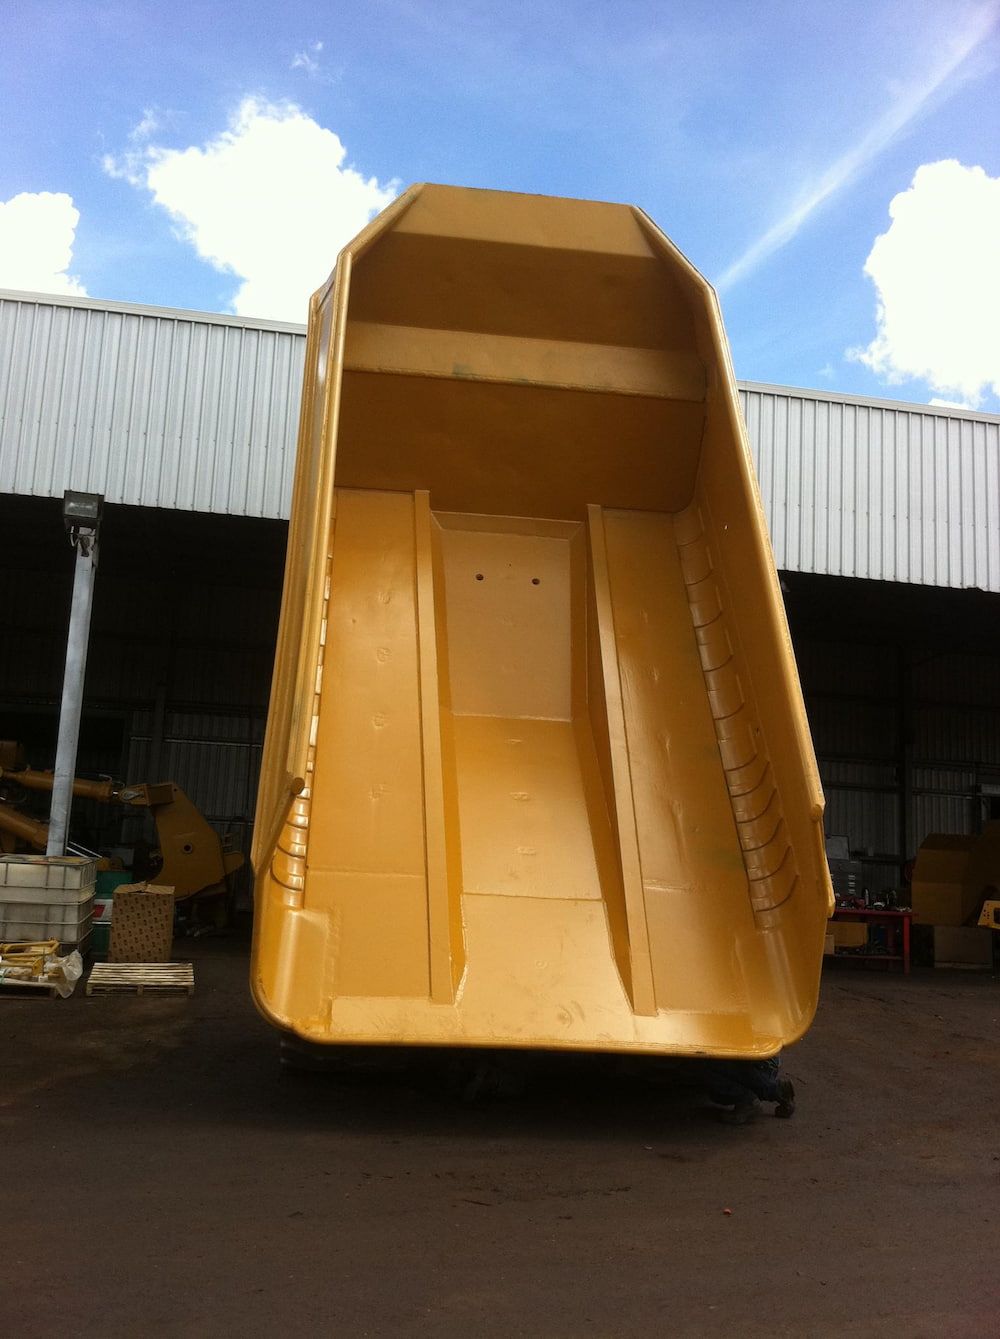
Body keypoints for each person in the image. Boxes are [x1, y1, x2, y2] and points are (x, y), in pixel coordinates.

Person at [703, 1054, 795, 1124]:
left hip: (759, 1065)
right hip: (766, 1061)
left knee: (707, 1065)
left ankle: (772, 1091)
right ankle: (775, 1089)